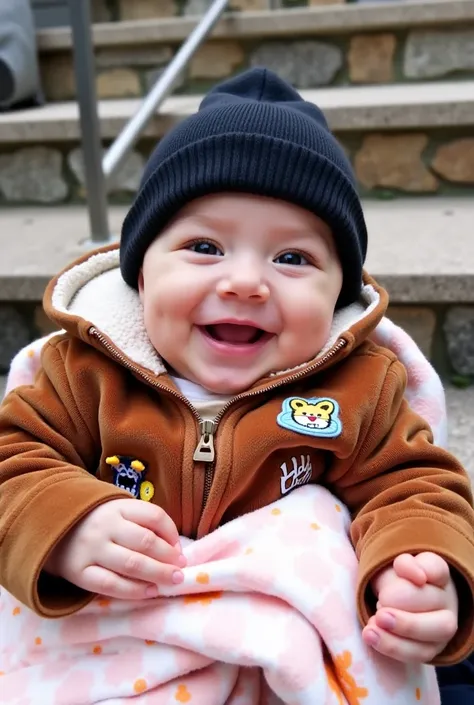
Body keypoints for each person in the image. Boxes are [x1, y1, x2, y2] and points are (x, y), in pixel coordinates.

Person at [0, 68, 473, 675]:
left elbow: (413, 486)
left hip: (287, 653)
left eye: (292, 257)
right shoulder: (83, 372)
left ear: (337, 297)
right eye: (205, 247)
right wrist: (62, 523)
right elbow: (14, 459)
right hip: (116, 647)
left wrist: (420, 565)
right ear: (142, 276)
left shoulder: (358, 387)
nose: (246, 282)